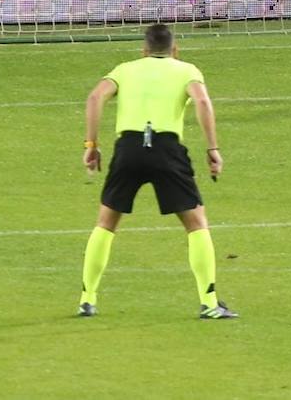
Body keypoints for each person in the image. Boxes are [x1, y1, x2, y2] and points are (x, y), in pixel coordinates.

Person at [77, 23, 236, 320]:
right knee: (196, 224)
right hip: (167, 149)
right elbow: (201, 100)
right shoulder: (186, 70)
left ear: (144, 50)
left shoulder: (125, 69)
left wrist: (91, 144)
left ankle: (87, 299)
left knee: (106, 222)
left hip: (129, 148)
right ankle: (209, 302)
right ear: (175, 49)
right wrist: (212, 148)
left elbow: (95, 97)